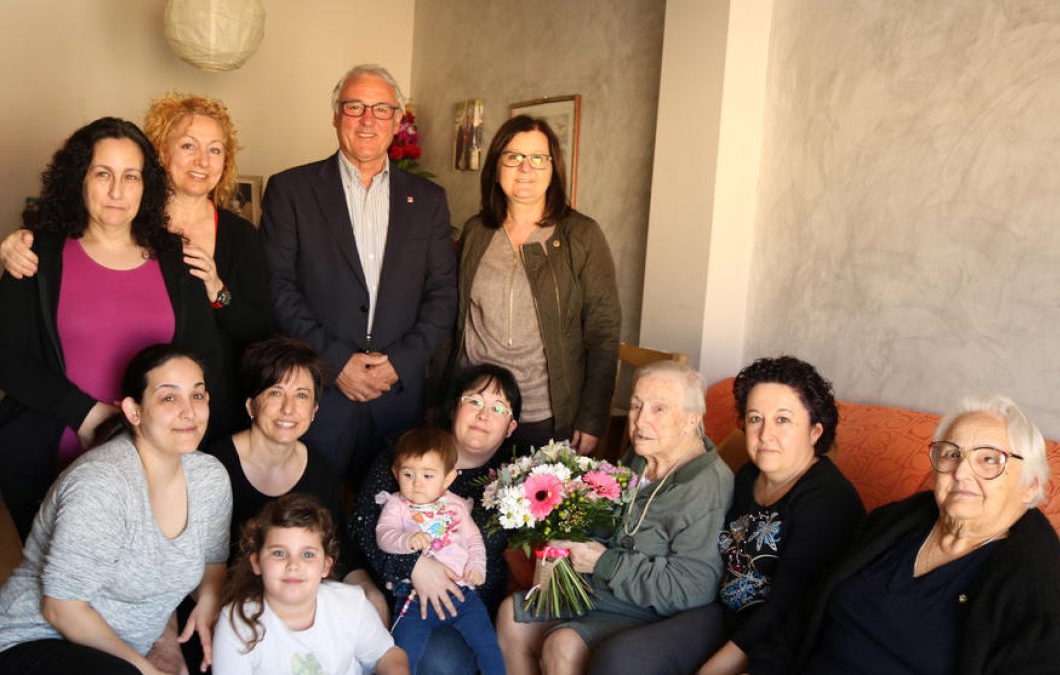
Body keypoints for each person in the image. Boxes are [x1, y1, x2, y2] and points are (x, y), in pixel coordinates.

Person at [0, 117, 224, 541]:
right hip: (51, 454)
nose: (117, 191)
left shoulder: (176, 259)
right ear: (79, 179)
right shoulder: (37, 254)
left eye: (130, 176)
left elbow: (204, 356)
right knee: (65, 592)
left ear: (146, 185)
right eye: (102, 174)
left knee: (145, 586)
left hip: (156, 456)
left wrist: (151, 422)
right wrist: (88, 415)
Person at [748, 395, 1060, 674]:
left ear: (1030, 486)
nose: (962, 471)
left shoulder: (1036, 588)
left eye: (990, 460)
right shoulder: (898, 523)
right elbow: (808, 607)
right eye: (951, 454)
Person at [0, 93, 275, 437]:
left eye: (215, 150)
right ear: (159, 152)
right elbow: (5, 347)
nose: (202, 160)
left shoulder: (230, 238)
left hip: (192, 419)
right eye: (188, 146)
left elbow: (258, 329)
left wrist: (218, 292)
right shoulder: (88, 230)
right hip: (69, 426)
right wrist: (19, 242)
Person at [589, 356, 865, 675]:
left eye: (783, 420)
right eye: (755, 418)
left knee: (622, 662)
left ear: (815, 430)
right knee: (619, 657)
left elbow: (786, 607)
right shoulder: (749, 476)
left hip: (778, 637)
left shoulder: (827, 501)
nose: (765, 434)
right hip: (719, 614)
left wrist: (715, 667)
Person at [0, 344, 232, 675]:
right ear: (134, 412)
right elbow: (62, 610)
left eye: (197, 395)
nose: (189, 411)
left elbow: (212, 560)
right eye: (169, 398)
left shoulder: (209, 478)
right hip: (33, 641)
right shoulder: (102, 483)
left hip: (122, 648)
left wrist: (205, 603)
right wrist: (145, 671)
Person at [260, 63, 457, 485]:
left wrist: (399, 364)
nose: (368, 120)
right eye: (355, 107)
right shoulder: (290, 190)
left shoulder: (428, 201)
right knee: (311, 520)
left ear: (397, 121)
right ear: (336, 116)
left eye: (381, 109)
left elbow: (442, 294)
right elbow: (277, 288)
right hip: (318, 393)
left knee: (397, 525)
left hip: (397, 398)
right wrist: (336, 362)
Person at [496, 361, 735, 675]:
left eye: (659, 409)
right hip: (600, 590)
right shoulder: (640, 455)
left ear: (692, 420)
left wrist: (603, 562)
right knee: (510, 617)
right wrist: (572, 526)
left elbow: (692, 587)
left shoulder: (707, 486)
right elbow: (611, 518)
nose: (639, 421)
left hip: (647, 610)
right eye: (636, 405)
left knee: (563, 645)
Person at [448, 114, 620, 454]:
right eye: (513, 157)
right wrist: (438, 398)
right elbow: (453, 317)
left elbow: (603, 330)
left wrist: (592, 416)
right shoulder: (476, 231)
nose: (525, 168)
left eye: (538, 158)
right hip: (474, 410)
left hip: (543, 415)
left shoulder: (581, 235)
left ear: (553, 168)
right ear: (496, 167)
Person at [350, 363, 522, 675]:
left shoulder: (515, 482)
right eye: (475, 401)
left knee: (440, 660)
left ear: (511, 427)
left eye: (499, 408)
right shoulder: (408, 449)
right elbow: (362, 526)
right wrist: (413, 566)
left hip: (465, 608)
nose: (484, 415)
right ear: (455, 406)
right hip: (396, 595)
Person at [208, 335, 387, 619]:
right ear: (251, 405)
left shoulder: (321, 471)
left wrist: (366, 588)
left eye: (302, 395)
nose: (288, 409)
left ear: (314, 410)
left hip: (296, 608)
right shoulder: (213, 465)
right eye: (276, 393)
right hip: (226, 608)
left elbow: (337, 545)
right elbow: (197, 563)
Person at [213, 494, 408, 675]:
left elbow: (387, 655)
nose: (293, 565)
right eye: (279, 553)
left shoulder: (351, 603)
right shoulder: (237, 623)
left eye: (307, 555)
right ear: (256, 563)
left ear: (325, 566)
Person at [375, 426, 505, 675]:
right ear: (395, 473)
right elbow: (384, 536)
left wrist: (476, 566)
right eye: (408, 474)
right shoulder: (396, 505)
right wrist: (406, 541)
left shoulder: (456, 506)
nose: (417, 484)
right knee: (402, 653)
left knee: (488, 646)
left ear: (447, 479)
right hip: (414, 600)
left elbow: (474, 540)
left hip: (463, 595)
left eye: (428, 476)